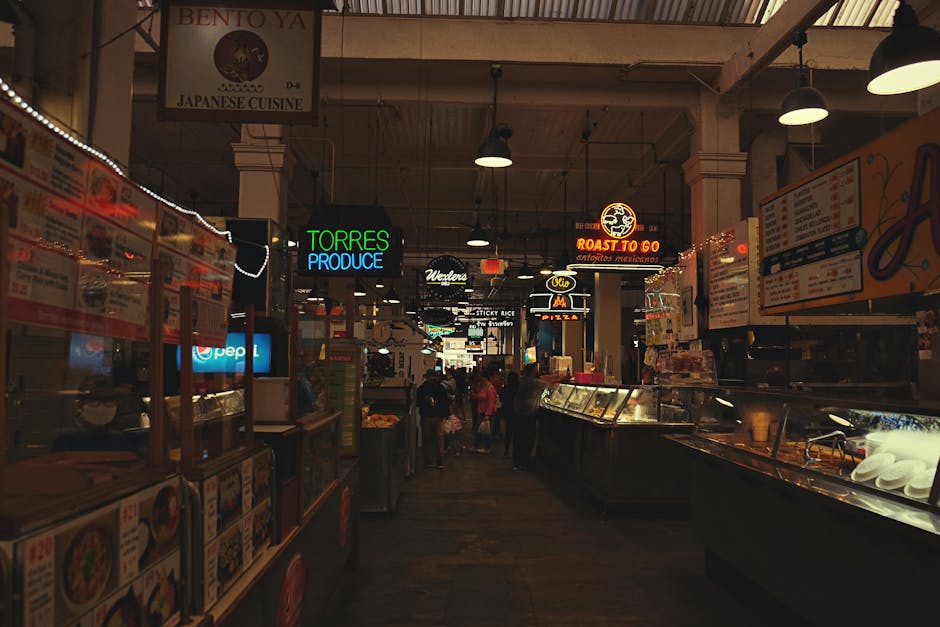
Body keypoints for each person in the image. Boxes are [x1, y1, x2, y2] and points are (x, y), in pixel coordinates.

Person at [512, 363, 547, 470]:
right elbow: (548, 384)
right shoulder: (533, 383)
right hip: (528, 415)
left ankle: (517, 462)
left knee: (519, 438)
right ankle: (524, 462)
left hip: (518, 413)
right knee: (527, 438)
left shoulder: (523, 381)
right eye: (536, 369)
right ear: (532, 371)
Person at [416, 369, 449, 469]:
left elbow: (417, 403)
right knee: (437, 439)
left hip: (429, 416)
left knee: (429, 439)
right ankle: (437, 460)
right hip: (434, 416)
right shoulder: (440, 388)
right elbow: (445, 402)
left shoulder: (422, 389)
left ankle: (431, 460)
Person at [472, 373, 497, 453]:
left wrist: (487, 414)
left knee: (486, 431)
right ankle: (478, 445)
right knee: (480, 429)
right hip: (481, 411)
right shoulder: (484, 387)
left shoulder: (490, 389)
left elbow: (491, 402)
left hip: (486, 413)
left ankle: (486, 447)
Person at [499, 371, 520, 458]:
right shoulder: (518, 388)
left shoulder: (505, 388)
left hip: (506, 411)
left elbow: (501, 398)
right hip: (516, 412)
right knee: (516, 432)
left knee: (508, 432)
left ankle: (507, 450)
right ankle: (515, 451)